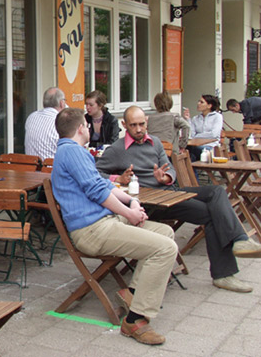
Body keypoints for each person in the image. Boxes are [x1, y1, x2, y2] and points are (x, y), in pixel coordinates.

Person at [96, 105, 261, 293]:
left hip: (170, 191)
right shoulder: (117, 149)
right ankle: (223, 274)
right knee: (213, 214)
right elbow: (95, 173)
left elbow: (170, 168)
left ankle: (239, 240)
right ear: (125, 125)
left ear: (147, 122)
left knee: (217, 192)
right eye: (133, 125)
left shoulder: (156, 142)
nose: (139, 129)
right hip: (153, 204)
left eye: (142, 124)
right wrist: (118, 179)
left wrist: (165, 177)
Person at [52, 108, 177, 345]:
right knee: (165, 249)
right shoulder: (72, 152)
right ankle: (135, 320)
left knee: (165, 232)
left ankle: (132, 294)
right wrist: (129, 213)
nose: (88, 129)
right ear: (80, 128)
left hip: (104, 223)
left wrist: (131, 201)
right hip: (93, 229)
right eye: (87, 126)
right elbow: (97, 191)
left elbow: (102, 184)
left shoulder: (72, 152)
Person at [24, 87, 67, 160]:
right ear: (61, 103)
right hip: (51, 169)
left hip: (31, 168)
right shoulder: (61, 120)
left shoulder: (32, 117)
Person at [183, 94, 222, 161]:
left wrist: (197, 136)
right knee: (185, 151)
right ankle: (191, 170)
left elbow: (214, 134)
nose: (198, 104)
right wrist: (188, 119)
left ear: (209, 106)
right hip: (196, 146)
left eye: (201, 102)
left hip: (211, 146)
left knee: (192, 152)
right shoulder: (196, 118)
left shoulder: (217, 117)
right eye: (198, 101)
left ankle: (191, 170)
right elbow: (191, 135)